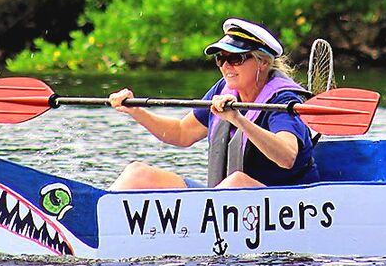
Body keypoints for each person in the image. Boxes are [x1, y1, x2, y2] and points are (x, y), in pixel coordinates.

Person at [108, 18, 319, 190]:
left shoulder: (283, 99)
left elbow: (287, 156)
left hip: (284, 206)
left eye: (236, 59)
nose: (226, 66)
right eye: (221, 58)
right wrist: (135, 111)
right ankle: (91, 221)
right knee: (138, 173)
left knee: (237, 182)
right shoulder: (223, 89)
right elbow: (181, 133)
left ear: (262, 62)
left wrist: (237, 119)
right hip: (225, 203)